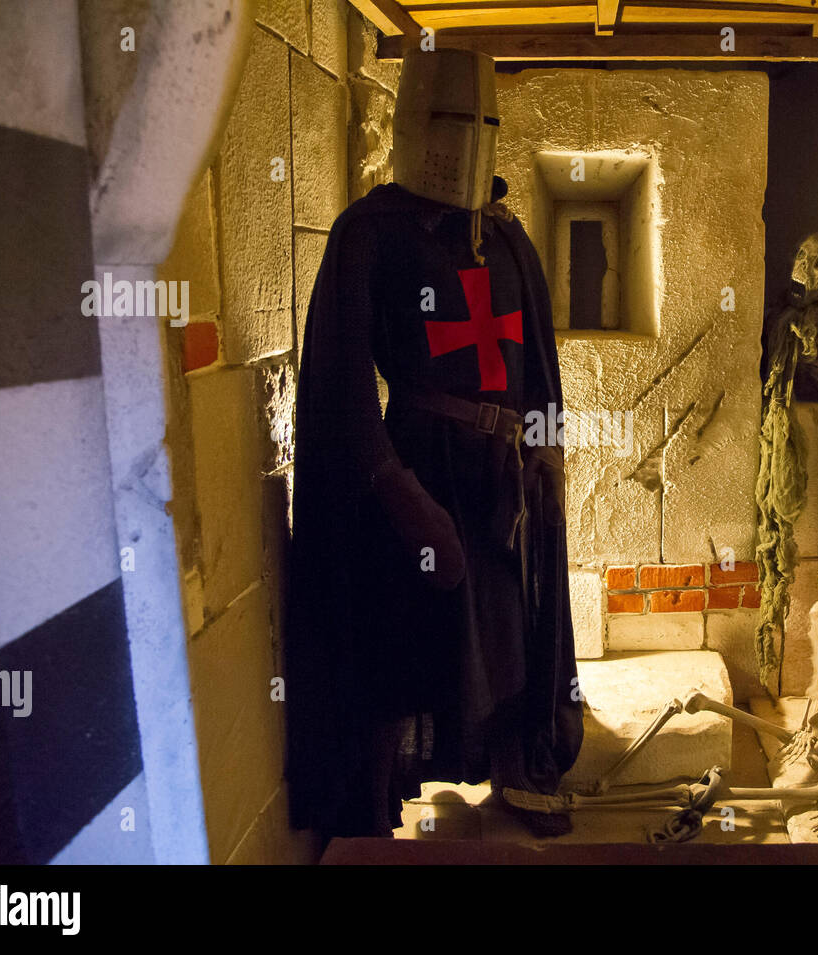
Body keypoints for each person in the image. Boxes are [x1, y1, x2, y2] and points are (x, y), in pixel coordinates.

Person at [283, 47, 583, 840]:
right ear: (414, 122)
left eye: (484, 121)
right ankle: (373, 799)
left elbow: (538, 363)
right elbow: (344, 384)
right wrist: (394, 486)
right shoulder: (369, 234)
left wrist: (547, 451)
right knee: (405, 635)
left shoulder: (509, 239)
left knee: (510, 622)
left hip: (503, 471)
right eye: (454, 119)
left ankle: (515, 762)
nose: (468, 138)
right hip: (422, 462)